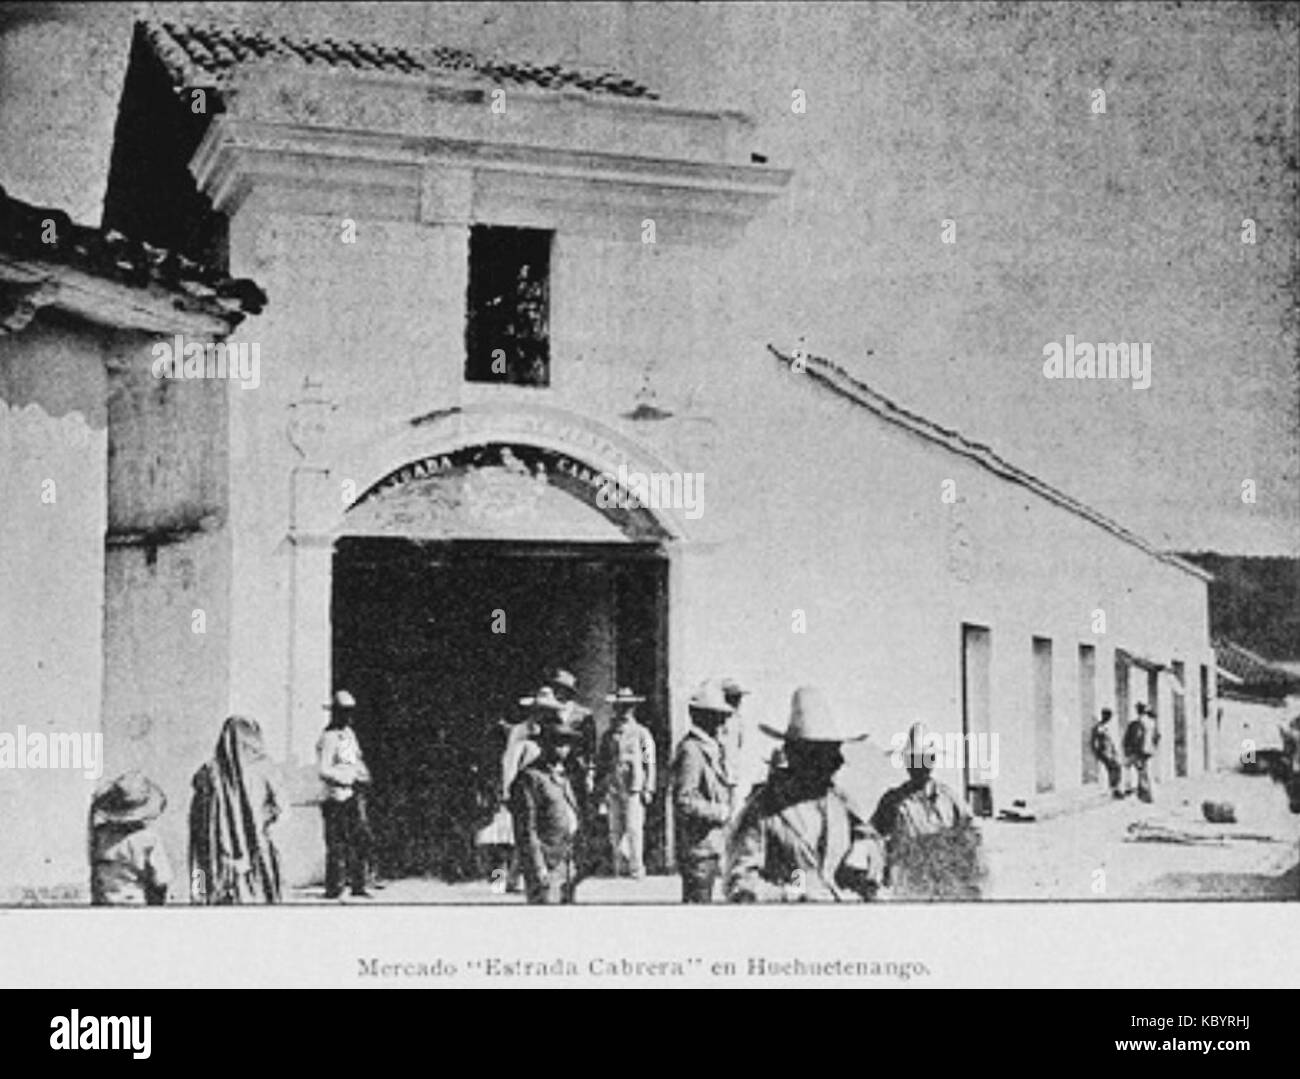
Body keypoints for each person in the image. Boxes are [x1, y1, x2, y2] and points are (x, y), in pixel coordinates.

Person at [726, 686, 884, 902]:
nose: (835, 763)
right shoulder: (764, 809)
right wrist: (793, 894)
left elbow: (873, 839)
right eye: (823, 754)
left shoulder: (840, 800)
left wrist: (865, 848)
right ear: (796, 755)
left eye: (834, 752)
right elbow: (740, 884)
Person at [871, 721, 981, 899]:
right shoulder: (892, 801)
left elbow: (972, 833)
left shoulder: (949, 798)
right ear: (906, 762)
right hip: (909, 882)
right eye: (914, 760)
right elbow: (874, 835)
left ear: (932, 762)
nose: (919, 766)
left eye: (925, 759)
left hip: (944, 882)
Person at [190, 715, 284, 904]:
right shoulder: (266, 769)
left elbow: (197, 827)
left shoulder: (207, 772)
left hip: (215, 860)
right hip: (256, 857)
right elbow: (280, 808)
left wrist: (197, 894)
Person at [509, 694, 584, 904]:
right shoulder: (530, 776)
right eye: (557, 743)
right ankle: (502, 882)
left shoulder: (564, 776)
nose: (563, 749)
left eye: (566, 744)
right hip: (546, 863)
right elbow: (527, 831)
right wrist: (538, 867)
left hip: (565, 863)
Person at [671, 680, 735, 903]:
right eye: (717, 715)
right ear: (703, 717)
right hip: (698, 849)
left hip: (710, 845)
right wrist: (719, 812)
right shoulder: (691, 750)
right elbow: (684, 799)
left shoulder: (710, 746)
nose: (722, 720)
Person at [317, 689, 373, 899]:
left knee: (360, 839)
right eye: (344, 712)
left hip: (354, 795)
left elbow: (355, 761)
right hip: (336, 796)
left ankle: (359, 883)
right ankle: (335, 886)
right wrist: (347, 779)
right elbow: (324, 770)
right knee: (337, 843)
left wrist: (363, 774)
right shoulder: (329, 738)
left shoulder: (349, 735)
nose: (348, 716)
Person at [596, 686, 656, 879]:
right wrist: (601, 785)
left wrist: (649, 787)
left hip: (634, 786)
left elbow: (650, 761)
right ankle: (618, 867)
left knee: (634, 828)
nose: (623, 710)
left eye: (627, 706)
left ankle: (636, 868)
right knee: (615, 829)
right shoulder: (609, 734)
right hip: (614, 785)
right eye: (620, 706)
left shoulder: (642, 733)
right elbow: (603, 761)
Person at [89, 771, 172, 906]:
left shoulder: (99, 835)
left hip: (102, 905)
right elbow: (161, 881)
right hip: (135, 906)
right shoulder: (149, 839)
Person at [1123, 703, 1160, 803]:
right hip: (1148, 751)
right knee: (1143, 771)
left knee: (1132, 768)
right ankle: (1144, 794)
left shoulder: (1137, 723)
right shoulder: (1151, 722)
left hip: (1139, 751)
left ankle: (1144, 795)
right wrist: (1153, 747)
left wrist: (1130, 750)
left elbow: (1136, 737)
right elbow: (1157, 736)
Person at [1090, 708, 1124, 798]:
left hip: (1109, 751)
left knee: (1116, 768)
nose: (1108, 718)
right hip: (1103, 751)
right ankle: (1114, 789)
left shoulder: (1106, 727)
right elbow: (1094, 741)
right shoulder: (1099, 727)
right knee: (1113, 768)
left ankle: (1115, 789)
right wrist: (1097, 752)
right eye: (1107, 716)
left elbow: (1110, 741)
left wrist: (1114, 751)